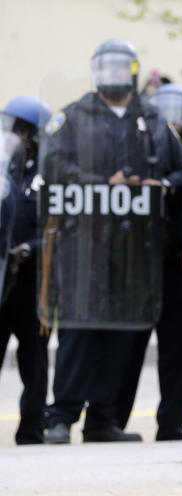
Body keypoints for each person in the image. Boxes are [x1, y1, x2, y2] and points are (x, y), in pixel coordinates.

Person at [42, 39, 182, 444]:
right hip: (86, 248)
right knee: (80, 329)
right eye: (105, 68)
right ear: (95, 73)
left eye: (120, 68)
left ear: (134, 72)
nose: (113, 76)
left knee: (122, 333)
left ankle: (102, 420)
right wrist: (103, 185)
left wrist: (162, 185)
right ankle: (61, 418)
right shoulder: (72, 118)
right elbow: (53, 167)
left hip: (136, 252)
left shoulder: (154, 121)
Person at [110, 83, 182, 441]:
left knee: (177, 352)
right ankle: (112, 421)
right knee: (128, 349)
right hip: (137, 267)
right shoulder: (131, 146)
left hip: (177, 264)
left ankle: (172, 426)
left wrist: (163, 184)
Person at [0, 97, 50, 445]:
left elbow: (60, 229)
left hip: (34, 280)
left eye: (16, 128)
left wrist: (31, 248)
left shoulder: (50, 176)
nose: (10, 134)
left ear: (32, 135)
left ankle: (32, 430)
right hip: (2, 279)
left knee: (34, 360)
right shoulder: (1, 169)